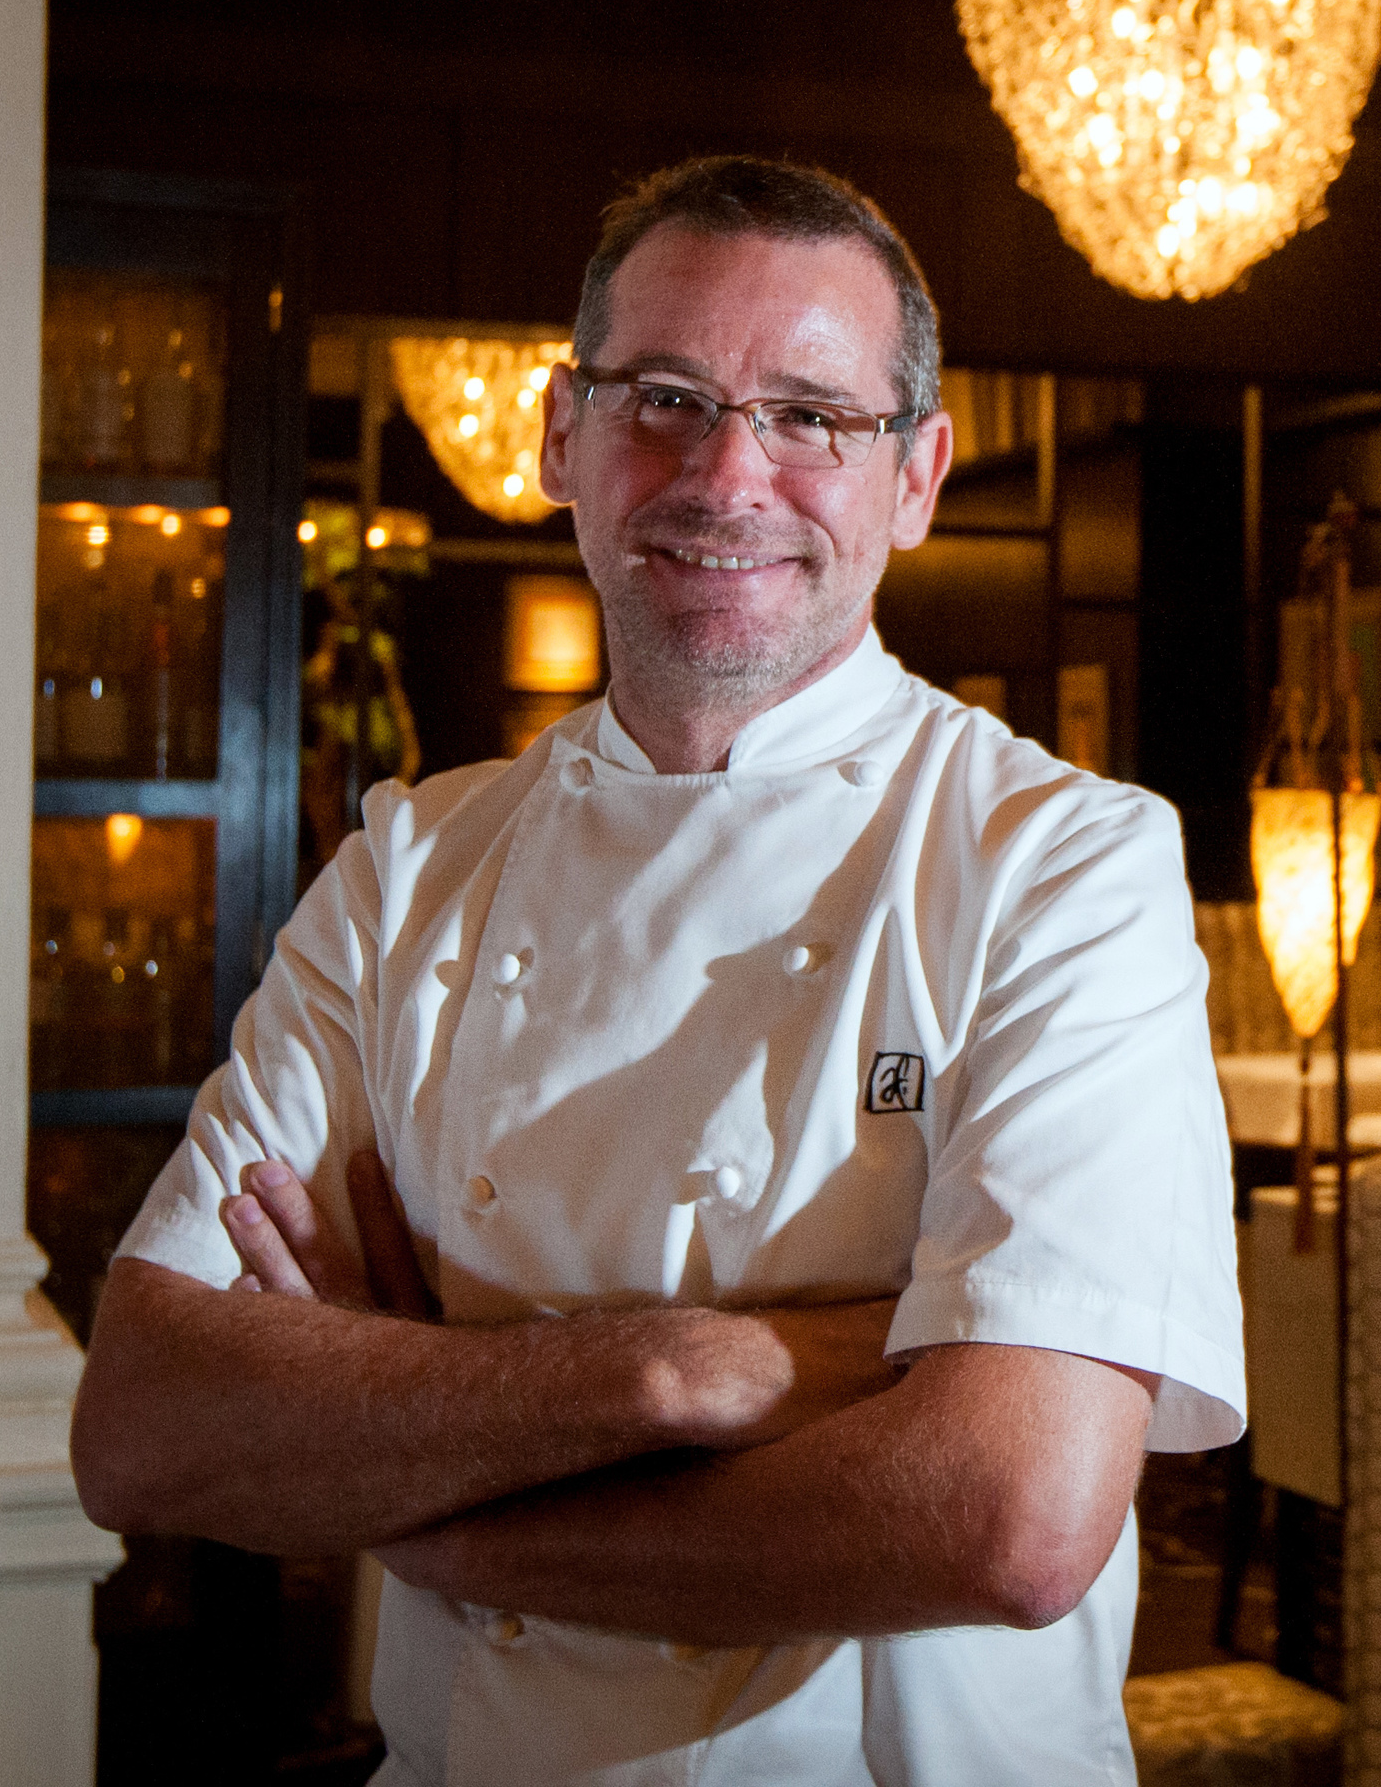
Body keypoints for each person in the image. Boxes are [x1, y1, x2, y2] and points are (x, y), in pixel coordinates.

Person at [69, 156, 1246, 1785]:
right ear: (564, 435)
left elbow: (1011, 1517)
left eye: (812, 417)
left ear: (915, 477)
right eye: (666, 396)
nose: (727, 472)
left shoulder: (1059, 864)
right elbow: (144, 1424)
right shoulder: (411, 872)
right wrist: (683, 1370)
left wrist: (437, 1496)